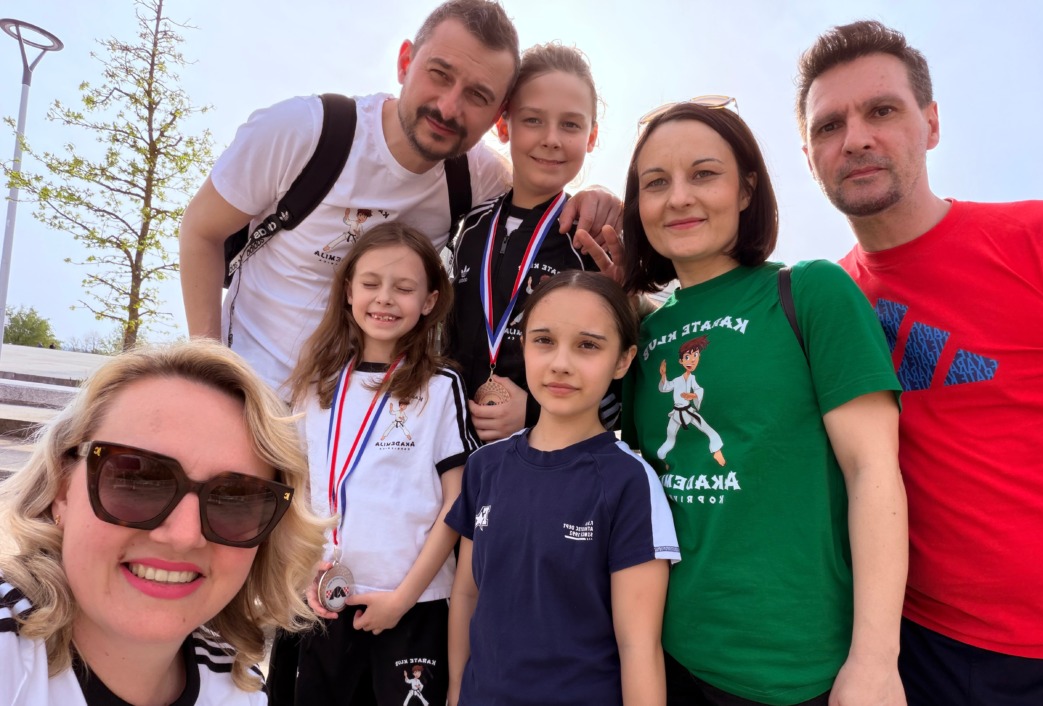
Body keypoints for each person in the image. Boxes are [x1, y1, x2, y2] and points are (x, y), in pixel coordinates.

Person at [797, 20, 1043, 704]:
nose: (855, 138)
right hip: (909, 649)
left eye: (881, 111)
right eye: (829, 126)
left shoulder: (1042, 240)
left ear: (931, 124)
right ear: (808, 155)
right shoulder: (818, 304)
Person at [179, 0, 620, 396]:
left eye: (477, 95)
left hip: (372, 424)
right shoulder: (304, 132)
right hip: (254, 401)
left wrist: (596, 197)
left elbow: (539, 186)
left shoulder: (477, 176)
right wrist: (212, 377)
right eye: (440, 74)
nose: (449, 107)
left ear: (496, 116)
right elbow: (201, 231)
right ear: (406, 61)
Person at [620, 101, 908, 705]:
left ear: (747, 189)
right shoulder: (642, 336)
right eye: (656, 182)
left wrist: (876, 662)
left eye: (704, 174)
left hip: (796, 670)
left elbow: (873, 471)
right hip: (670, 659)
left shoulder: (811, 291)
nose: (679, 198)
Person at [0, 341, 328, 705]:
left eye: (235, 498)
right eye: (138, 479)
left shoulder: (241, 689)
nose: (184, 536)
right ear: (63, 489)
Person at [446, 270, 680, 705]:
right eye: (544, 340)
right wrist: (457, 690)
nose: (561, 363)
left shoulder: (629, 482)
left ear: (623, 360)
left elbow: (639, 646)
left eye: (588, 345)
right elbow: (467, 592)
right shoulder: (484, 466)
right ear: (523, 346)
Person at [286, 222, 477, 705]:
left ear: (429, 301)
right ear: (349, 290)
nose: (385, 298)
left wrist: (403, 598)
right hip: (321, 600)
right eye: (371, 283)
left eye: (404, 288)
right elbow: (302, 489)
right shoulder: (316, 385)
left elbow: (456, 502)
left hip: (412, 606)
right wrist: (302, 572)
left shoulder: (440, 387)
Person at [447, 42, 621, 442]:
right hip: (453, 454)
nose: (552, 139)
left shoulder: (592, 240)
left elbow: (618, 378)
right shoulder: (469, 228)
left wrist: (536, 412)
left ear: (591, 137)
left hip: (548, 454)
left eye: (571, 125)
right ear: (504, 126)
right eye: (533, 120)